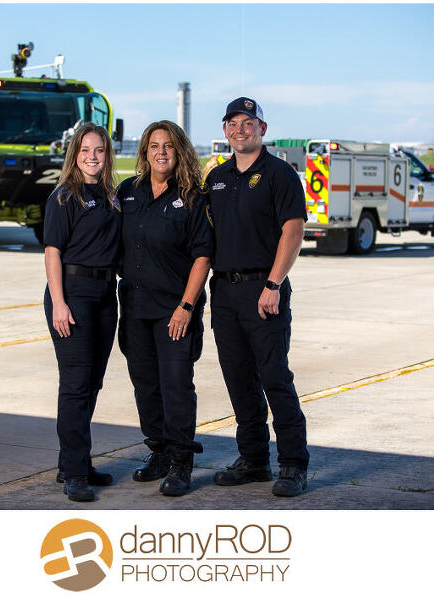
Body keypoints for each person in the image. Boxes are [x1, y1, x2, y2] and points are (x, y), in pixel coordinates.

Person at [204, 97, 310, 497]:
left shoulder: (279, 174)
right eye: (232, 123)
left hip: (263, 290)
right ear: (225, 130)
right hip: (225, 293)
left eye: (248, 122)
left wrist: (274, 283)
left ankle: (294, 464)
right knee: (238, 379)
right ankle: (253, 459)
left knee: (274, 378)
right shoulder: (216, 176)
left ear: (262, 129)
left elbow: (293, 231)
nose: (239, 129)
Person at [117, 120, 213, 496]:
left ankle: (181, 461)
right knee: (145, 384)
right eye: (154, 145)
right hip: (135, 308)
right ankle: (158, 451)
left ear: (179, 152)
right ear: (144, 152)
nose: (161, 152)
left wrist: (187, 306)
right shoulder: (128, 192)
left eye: (168, 146)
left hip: (174, 310)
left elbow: (203, 256)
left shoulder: (191, 198)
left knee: (176, 385)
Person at [43, 123, 121, 502]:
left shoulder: (112, 196)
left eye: (100, 150)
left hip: (106, 295)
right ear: (75, 154)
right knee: (75, 385)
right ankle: (75, 473)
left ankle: (73, 460)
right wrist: (59, 303)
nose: (92, 156)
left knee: (92, 383)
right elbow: (53, 252)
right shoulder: (63, 197)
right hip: (72, 295)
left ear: (107, 155)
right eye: (86, 150)